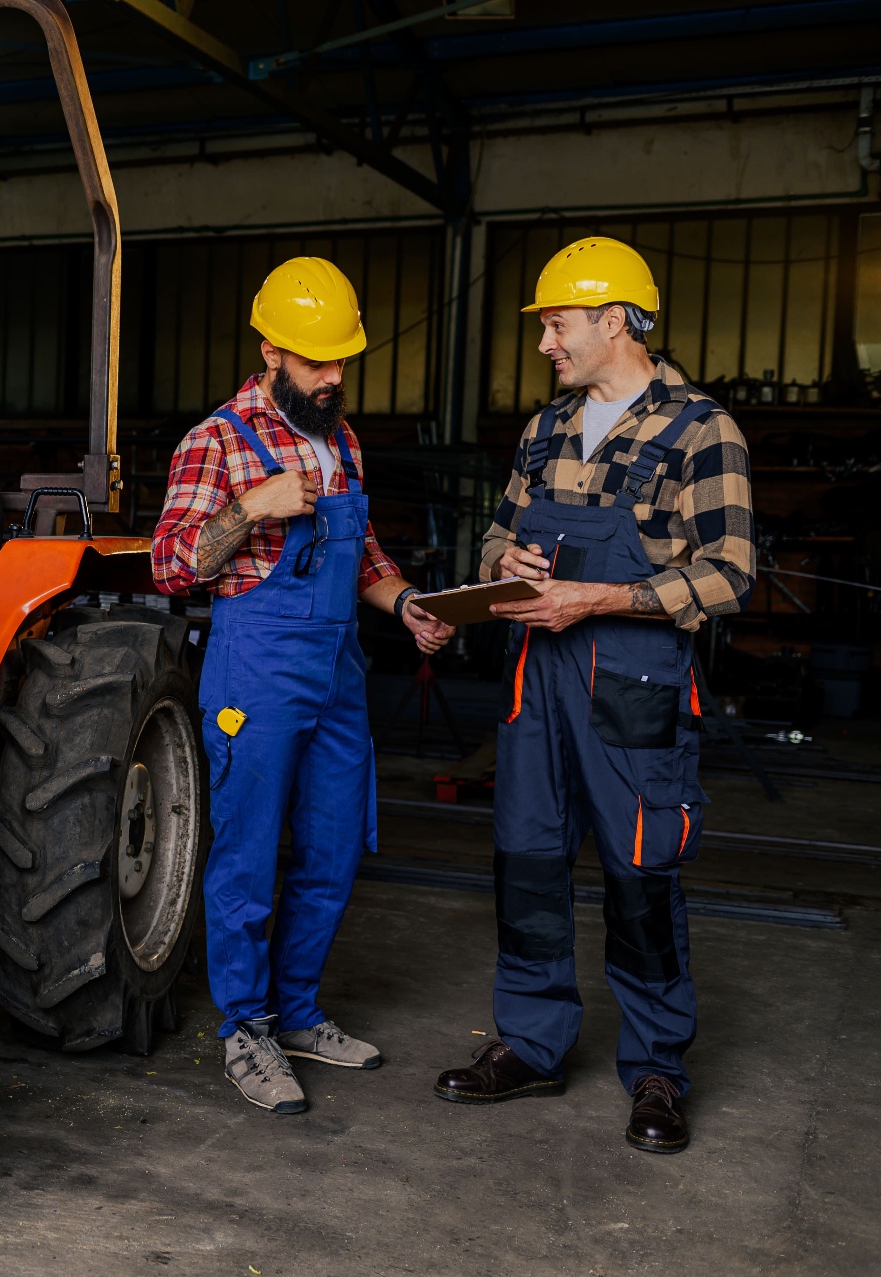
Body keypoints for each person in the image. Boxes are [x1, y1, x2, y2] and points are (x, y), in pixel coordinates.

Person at [433, 237, 754, 1155]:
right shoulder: (543, 431)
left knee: (639, 872)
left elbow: (731, 574)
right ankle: (532, 1042)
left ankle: (656, 1066)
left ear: (614, 320)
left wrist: (600, 597)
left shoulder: (700, 430)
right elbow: (494, 539)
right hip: (538, 679)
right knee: (527, 862)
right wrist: (507, 563)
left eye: (556, 323)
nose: (544, 342)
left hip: (635, 682)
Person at [152, 257, 453, 1115]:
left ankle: (296, 1011)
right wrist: (252, 508)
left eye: (341, 360)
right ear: (270, 350)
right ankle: (245, 1026)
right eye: (317, 361)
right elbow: (170, 564)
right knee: (247, 855)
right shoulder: (216, 440)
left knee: (333, 846)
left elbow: (360, 554)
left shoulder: (342, 438)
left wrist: (407, 604)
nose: (334, 377)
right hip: (256, 668)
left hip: (338, 670)